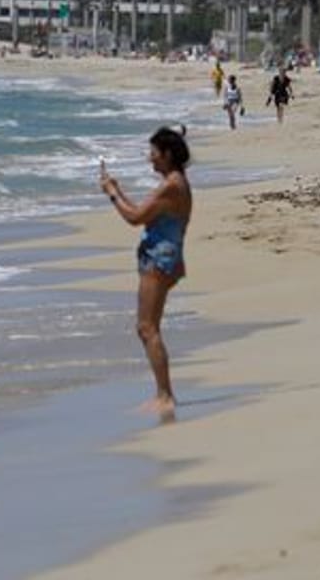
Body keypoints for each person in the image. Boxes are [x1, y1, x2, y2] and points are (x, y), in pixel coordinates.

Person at [99, 126, 192, 420]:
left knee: (147, 327)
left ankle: (165, 395)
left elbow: (135, 218)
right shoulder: (176, 182)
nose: (149, 159)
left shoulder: (172, 185)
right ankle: (163, 393)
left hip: (160, 260)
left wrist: (112, 194)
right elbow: (142, 214)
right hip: (163, 257)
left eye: (153, 153)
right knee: (148, 327)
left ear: (166, 155)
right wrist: (116, 190)